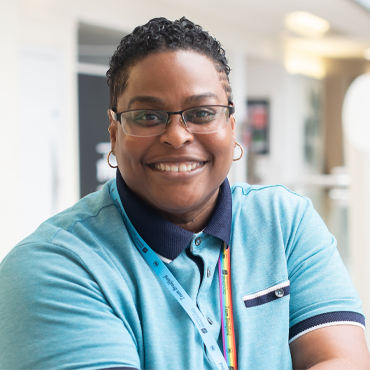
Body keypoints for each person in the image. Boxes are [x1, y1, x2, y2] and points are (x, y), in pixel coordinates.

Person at [0, 16, 369, 370]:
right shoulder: (55, 268)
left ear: (231, 127)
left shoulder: (284, 222)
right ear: (114, 134)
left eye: (202, 113)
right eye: (148, 116)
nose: (177, 135)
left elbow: (345, 360)